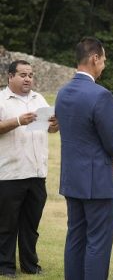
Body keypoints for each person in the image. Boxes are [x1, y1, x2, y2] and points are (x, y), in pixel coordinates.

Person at [55, 37, 113, 280]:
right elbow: (112, 142)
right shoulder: (101, 95)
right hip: (97, 183)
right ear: (94, 58)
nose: (104, 65)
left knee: (75, 237)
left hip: (71, 179)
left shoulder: (63, 93)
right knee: (98, 242)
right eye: (104, 60)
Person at [0, 60, 59, 278]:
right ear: (10, 77)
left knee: (31, 225)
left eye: (31, 75)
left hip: (36, 172)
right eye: (23, 75)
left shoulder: (39, 99)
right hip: (9, 173)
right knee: (6, 225)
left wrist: (54, 126)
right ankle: (5, 266)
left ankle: (30, 264)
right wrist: (17, 120)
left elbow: (48, 128)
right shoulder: (2, 99)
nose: (28, 79)